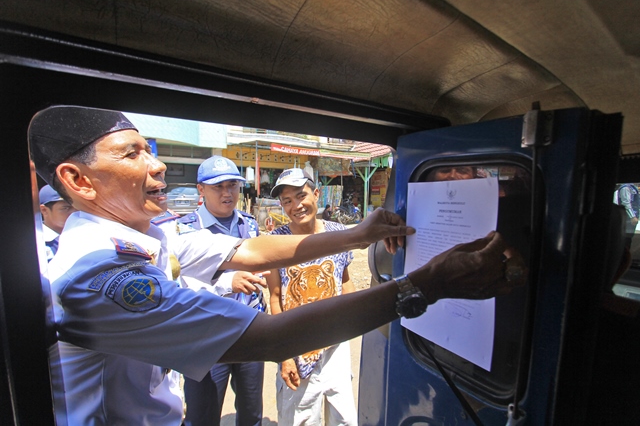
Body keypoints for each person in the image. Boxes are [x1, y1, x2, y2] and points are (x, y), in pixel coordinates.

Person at [28, 105, 525, 425]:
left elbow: (253, 250)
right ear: (79, 180)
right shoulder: (102, 274)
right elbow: (272, 337)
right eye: (132, 153)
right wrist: (429, 284)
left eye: (150, 150)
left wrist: (358, 233)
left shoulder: (148, 237)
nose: (156, 165)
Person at [266, 168, 357, 426]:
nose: (297, 205)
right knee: (302, 419)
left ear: (316, 194)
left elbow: (345, 281)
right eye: (287, 201)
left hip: (336, 345)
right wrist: (285, 355)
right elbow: (275, 298)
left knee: (344, 419)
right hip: (298, 347)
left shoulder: (338, 232)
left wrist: (351, 326)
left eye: (301, 195)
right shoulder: (275, 242)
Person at [179, 155, 265, 426]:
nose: (227, 193)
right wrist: (228, 282)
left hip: (250, 331)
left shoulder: (248, 224)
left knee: (251, 411)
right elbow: (183, 286)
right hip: (207, 336)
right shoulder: (184, 229)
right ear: (200, 189)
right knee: (203, 414)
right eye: (218, 187)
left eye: (233, 185)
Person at [38, 184, 76, 261]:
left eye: (78, 207)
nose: (75, 212)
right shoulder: (36, 242)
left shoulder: (85, 235)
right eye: (66, 208)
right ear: (44, 210)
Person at [615, 183, 640, 249]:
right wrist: (632, 216)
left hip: (632, 217)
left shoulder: (632, 187)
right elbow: (626, 203)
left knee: (628, 238)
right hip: (628, 218)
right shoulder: (626, 188)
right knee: (625, 239)